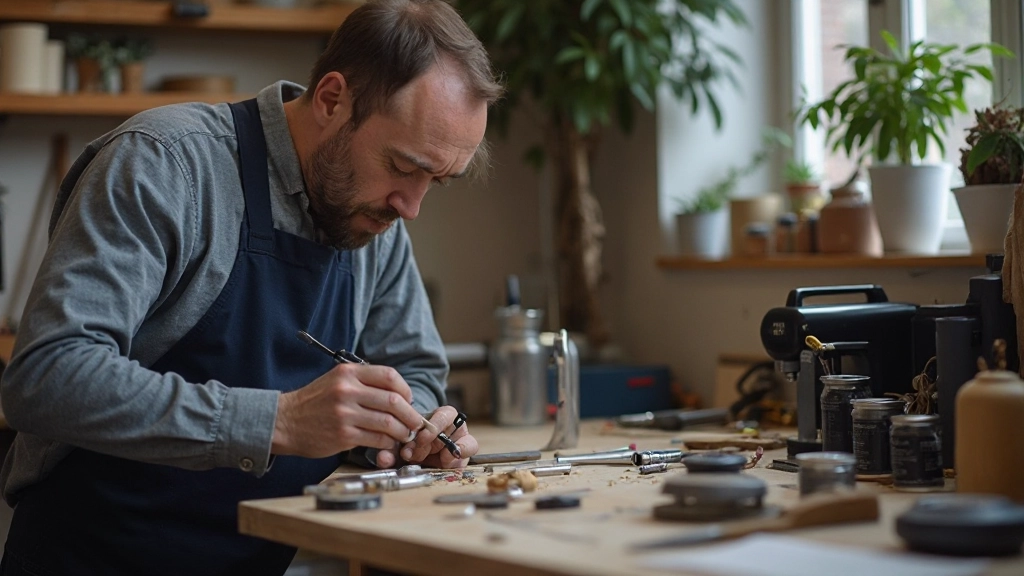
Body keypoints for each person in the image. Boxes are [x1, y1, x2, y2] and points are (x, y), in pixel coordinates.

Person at [0, 0, 503, 574]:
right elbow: (47, 375)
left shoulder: (375, 216)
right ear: (333, 99)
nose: (412, 207)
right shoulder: (165, 165)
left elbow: (414, 373)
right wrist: (278, 421)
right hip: (96, 556)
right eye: (404, 166)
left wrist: (414, 425)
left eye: (437, 180)